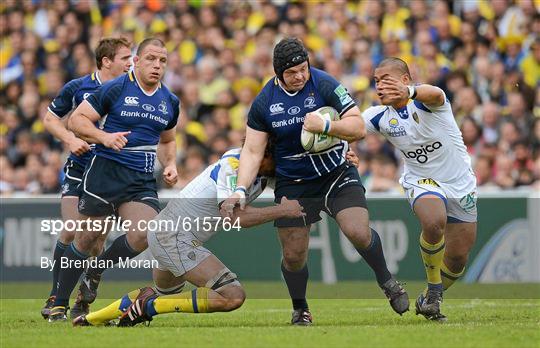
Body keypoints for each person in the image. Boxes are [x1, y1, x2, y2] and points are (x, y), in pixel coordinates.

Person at [223, 38, 409, 325]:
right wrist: (238, 189)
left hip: (336, 173)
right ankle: (300, 308)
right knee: (294, 255)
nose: (300, 76)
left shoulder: (324, 83)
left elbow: (358, 127)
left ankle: (388, 282)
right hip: (294, 184)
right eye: (291, 72)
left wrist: (325, 126)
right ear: (278, 73)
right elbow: (252, 150)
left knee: (358, 231)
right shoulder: (263, 102)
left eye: (303, 68)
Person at [72, 145, 361, 327]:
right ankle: (148, 308)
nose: (284, 163)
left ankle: (90, 319)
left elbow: (306, 175)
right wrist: (280, 211)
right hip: (172, 235)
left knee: (161, 291)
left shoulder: (260, 169)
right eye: (279, 156)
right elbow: (233, 217)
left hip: (166, 234)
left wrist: (343, 160)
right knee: (233, 295)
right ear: (265, 154)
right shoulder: (234, 167)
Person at [48, 38, 179, 322]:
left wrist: (170, 164)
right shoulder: (115, 88)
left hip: (141, 180)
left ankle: (96, 271)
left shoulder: (170, 100)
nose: (157, 65)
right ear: (137, 60)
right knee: (86, 239)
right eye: (151, 59)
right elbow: (77, 121)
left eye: (163, 61)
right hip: (105, 173)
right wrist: (104, 137)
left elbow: (168, 140)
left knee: (146, 234)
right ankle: (59, 303)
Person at [362, 57, 477, 321]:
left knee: (458, 257)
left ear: (405, 79)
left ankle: (428, 298)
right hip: (421, 180)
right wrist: (343, 146)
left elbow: (436, 93)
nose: (379, 86)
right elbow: (353, 127)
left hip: (459, 182)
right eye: (376, 81)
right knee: (434, 221)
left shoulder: (426, 102)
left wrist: (410, 92)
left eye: (386, 79)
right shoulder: (378, 116)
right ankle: (435, 291)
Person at [41, 37, 132, 319]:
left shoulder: (131, 89)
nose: (132, 63)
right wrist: (70, 138)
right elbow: (50, 119)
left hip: (108, 170)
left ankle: (84, 301)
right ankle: (57, 296)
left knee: (97, 239)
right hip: (80, 166)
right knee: (71, 228)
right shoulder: (78, 87)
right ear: (106, 61)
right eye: (126, 58)